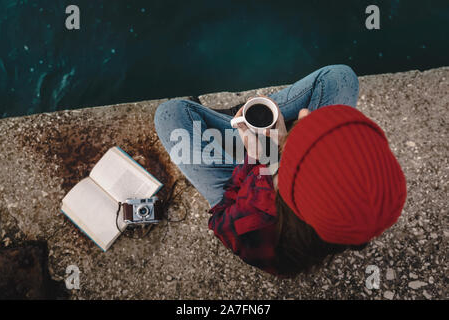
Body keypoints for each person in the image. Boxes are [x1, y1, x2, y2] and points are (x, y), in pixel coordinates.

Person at [154, 65, 407, 277]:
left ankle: (237, 124)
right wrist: (283, 150)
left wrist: (258, 158)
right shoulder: (348, 222)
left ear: (282, 180)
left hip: (241, 186)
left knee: (170, 114)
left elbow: (220, 218)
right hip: (273, 170)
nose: (306, 115)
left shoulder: (251, 223)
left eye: (300, 138)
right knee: (341, 77)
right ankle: (247, 122)